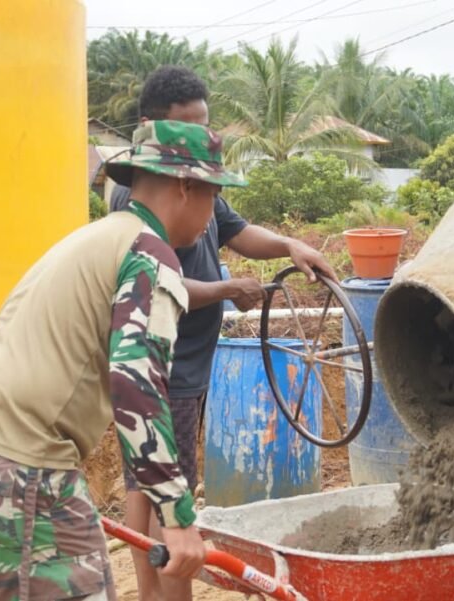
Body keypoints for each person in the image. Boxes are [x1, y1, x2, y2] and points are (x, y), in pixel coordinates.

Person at [0, 120, 246, 601]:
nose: (213, 213)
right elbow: (137, 386)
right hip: (15, 465)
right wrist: (176, 516)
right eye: (213, 195)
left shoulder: (99, 237)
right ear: (184, 186)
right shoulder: (151, 257)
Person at [109, 65, 337, 601]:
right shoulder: (139, 201)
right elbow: (151, 283)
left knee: (145, 483)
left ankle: (152, 593)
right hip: (162, 363)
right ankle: (165, 594)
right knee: (165, 489)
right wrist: (226, 289)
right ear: (155, 131)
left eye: (205, 127)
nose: (201, 142)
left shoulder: (195, 185)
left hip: (186, 360)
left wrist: (289, 245)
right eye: (189, 129)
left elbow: (235, 231)